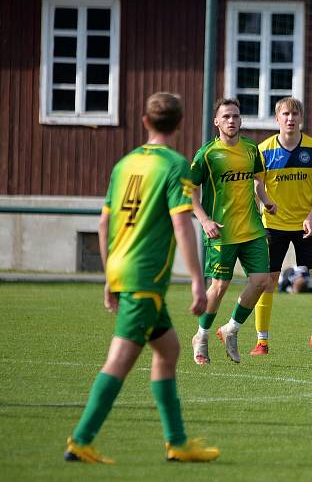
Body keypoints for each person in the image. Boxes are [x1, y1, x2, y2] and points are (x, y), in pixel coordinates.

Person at [64, 93, 219, 464]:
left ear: (145, 122)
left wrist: (109, 275)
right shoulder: (175, 164)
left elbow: (105, 223)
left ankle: (178, 443)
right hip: (146, 278)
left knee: (168, 350)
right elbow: (182, 222)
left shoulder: (125, 163)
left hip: (124, 270)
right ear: (179, 125)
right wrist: (198, 281)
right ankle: (81, 440)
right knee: (119, 359)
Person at [250, 97, 312, 357]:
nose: (290, 118)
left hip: (307, 225)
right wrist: (266, 202)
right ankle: (262, 341)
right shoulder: (264, 149)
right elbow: (258, 184)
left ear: (301, 118)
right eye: (285, 114)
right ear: (277, 119)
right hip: (273, 224)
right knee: (267, 282)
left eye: (295, 114)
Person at [189, 98, 277, 364]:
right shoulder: (207, 154)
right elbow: (191, 192)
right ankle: (201, 336)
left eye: (236, 116)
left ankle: (231, 329)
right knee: (219, 286)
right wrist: (204, 220)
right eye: (226, 116)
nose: (231, 121)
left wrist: (266, 200)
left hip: (252, 228)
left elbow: (258, 181)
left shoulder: (251, 148)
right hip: (221, 231)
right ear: (216, 121)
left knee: (262, 281)